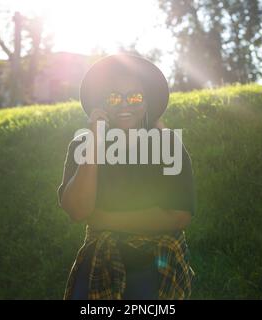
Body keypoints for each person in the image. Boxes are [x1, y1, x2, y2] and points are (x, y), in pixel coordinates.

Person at [57, 54, 196, 300]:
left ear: (146, 102)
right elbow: (79, 210)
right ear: (102, 103)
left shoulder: (168, 146)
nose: (124, 105)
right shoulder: (82, 145)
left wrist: (104, 219)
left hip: (157, 258)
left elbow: (178, 215)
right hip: (99, 258)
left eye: (134, 96)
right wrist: (95, 142)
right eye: (114, 97)